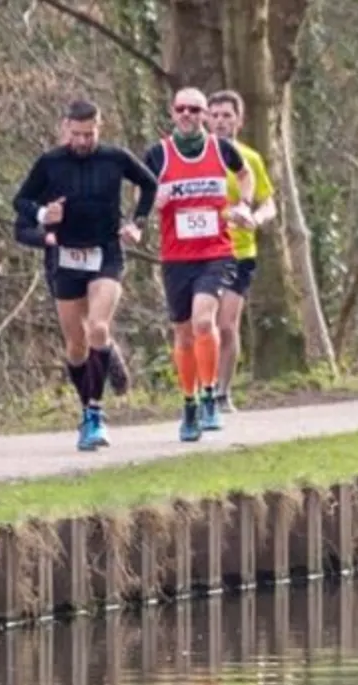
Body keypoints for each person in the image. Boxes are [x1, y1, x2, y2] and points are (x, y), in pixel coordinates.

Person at [14, 99, 158, 452]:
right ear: (66, 128)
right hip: (66, 257)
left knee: (98, 327)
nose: (82, 141)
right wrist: (43, 215)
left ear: (99, 128)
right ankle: (87, 407)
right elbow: (21, 202)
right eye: (76, 134)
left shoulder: (115, 158)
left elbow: (150, 184)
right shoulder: (50, 163)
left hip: (106, 252)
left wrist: (137, 223)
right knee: (76, 345)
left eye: (89, 134)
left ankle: (95, 413)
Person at [144, 87, 254, 441]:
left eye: (195, 109)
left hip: (215, 252)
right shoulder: (158, 154)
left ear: (204, 114)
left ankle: (209, 396)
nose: (187, 115)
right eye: (182, 109)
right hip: (176, 257)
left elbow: (245, 174)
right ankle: (189, 403)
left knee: (203, 321)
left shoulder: (221, 149)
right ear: (172, 112)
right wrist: (154, 199)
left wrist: (244, 205)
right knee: (183, 334)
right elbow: (141, 194)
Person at [205, 90, 278, 415]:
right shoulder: (197, 158)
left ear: (239, 120)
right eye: (215, 115)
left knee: (226, 325)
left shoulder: (249, 158)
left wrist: (255, 218)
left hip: (239, 250)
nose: (221, 122)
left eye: (227, 116)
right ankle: (202, 390)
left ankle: (223, 391)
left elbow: (269, 203)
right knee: (202, 323)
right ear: (207, 119)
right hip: (202, 251)